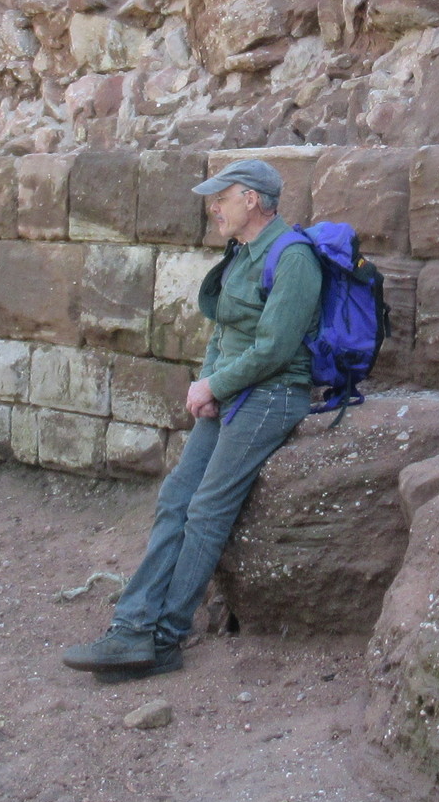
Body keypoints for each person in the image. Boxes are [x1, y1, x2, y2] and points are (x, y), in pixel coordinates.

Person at [62, 158, 320, 682]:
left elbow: (275, 349)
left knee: (206, 509)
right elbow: (224, 332)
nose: (213, 208)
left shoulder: (293, 257)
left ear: (251, 199)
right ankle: (131, 627)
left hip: (274, 395)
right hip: (237, 391)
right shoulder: (241, 253)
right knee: (176, 497)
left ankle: (165, 639)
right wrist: (208, 385)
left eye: (221, 198)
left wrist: (216, 386)